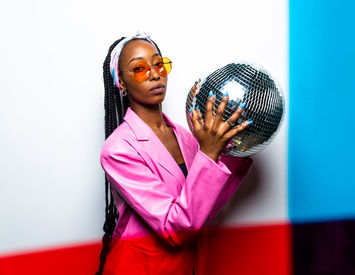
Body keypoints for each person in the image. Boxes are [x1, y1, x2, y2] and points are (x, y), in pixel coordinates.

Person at [96, 32, 254, 275]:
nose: (155, 73)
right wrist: (209, 153)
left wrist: (233, 147)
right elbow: (176, 228)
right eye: (139, 68)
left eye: (159, 63)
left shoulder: (185, 136)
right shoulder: (118, 149)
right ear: (121, 83)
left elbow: (202, 210)